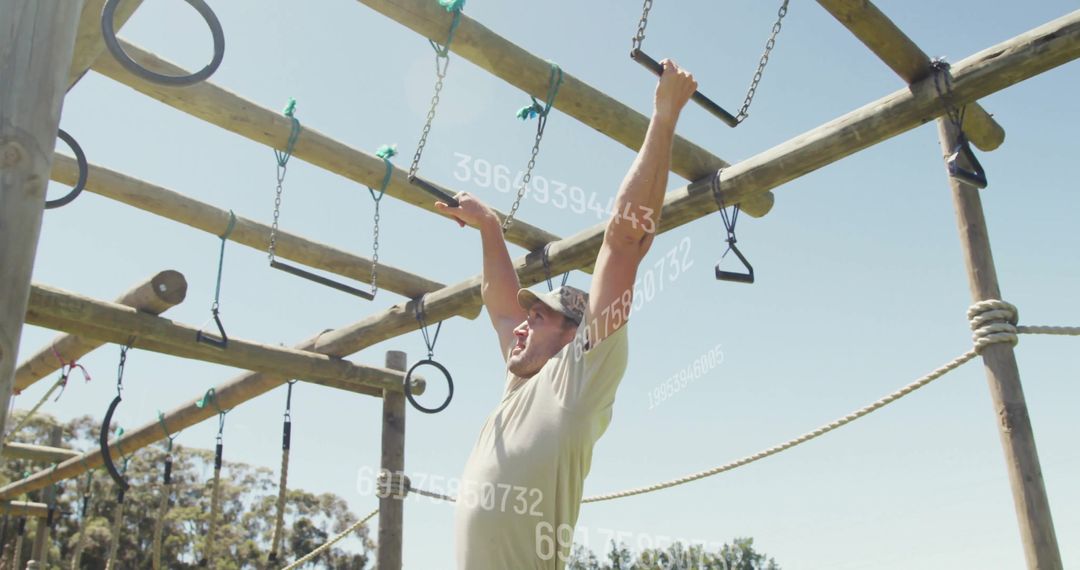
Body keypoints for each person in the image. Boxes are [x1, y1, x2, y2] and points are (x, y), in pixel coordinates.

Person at [434, 59, 698, 569]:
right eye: (526, 316)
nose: (522, 322)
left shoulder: (577, 382)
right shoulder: (519, 389)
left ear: (574, 336)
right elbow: (499, 303)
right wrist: (490, 227)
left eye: (540, 317)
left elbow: (623, 244)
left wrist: (664, 116)